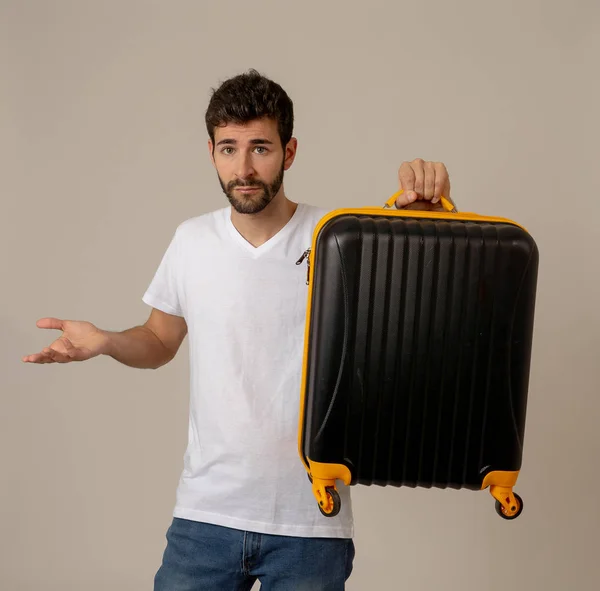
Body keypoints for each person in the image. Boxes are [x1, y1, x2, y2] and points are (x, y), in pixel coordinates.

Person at [23, 69, 453, 590]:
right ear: (211, 152)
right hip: (205, 517)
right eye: (228, 148)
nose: (243, 167)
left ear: (289, 152)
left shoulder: (340, 239)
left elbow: (415, 317)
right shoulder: (191, 240)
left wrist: (428, 220)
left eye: (260, 148)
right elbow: (160, 342)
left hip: (310, 523)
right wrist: (107, 342)